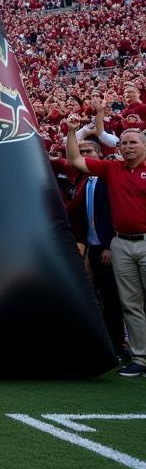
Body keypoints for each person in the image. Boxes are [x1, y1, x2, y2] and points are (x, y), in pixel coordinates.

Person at [66, 115, 146, 376]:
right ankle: (140, 358)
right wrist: (71, 131)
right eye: (123, 143)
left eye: (133, 142)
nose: (128, 146)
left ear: (143, 145)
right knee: (130, 304)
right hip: (121, 242)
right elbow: (75, 160)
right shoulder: (113, 169)